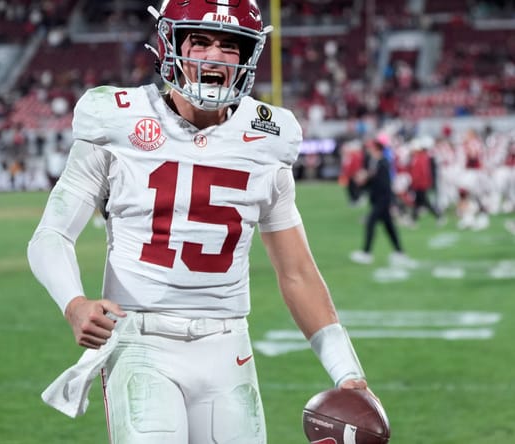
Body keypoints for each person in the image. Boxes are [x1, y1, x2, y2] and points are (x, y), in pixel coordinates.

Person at [27, 2, 378, 443]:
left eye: (230, 46)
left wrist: (347, 371)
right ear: (170, 44)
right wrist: (74, 303)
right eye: (201, 41)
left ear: (247, 57)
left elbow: (296, 271)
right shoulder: (115, 119)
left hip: (228, 344)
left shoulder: (268, 138)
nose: (214, 56)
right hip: (141, 340)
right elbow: (51, 235)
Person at [349, 138, 416, 267]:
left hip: (382, 200)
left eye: (371, 147)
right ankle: (400, 252)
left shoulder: (383, 163)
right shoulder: (374, 162)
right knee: (389, 227)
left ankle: (366, 253)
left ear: (377, 148)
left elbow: (384, 184)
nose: (368, 149)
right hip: (378, 199)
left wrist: (367, 179)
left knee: (371, 223)